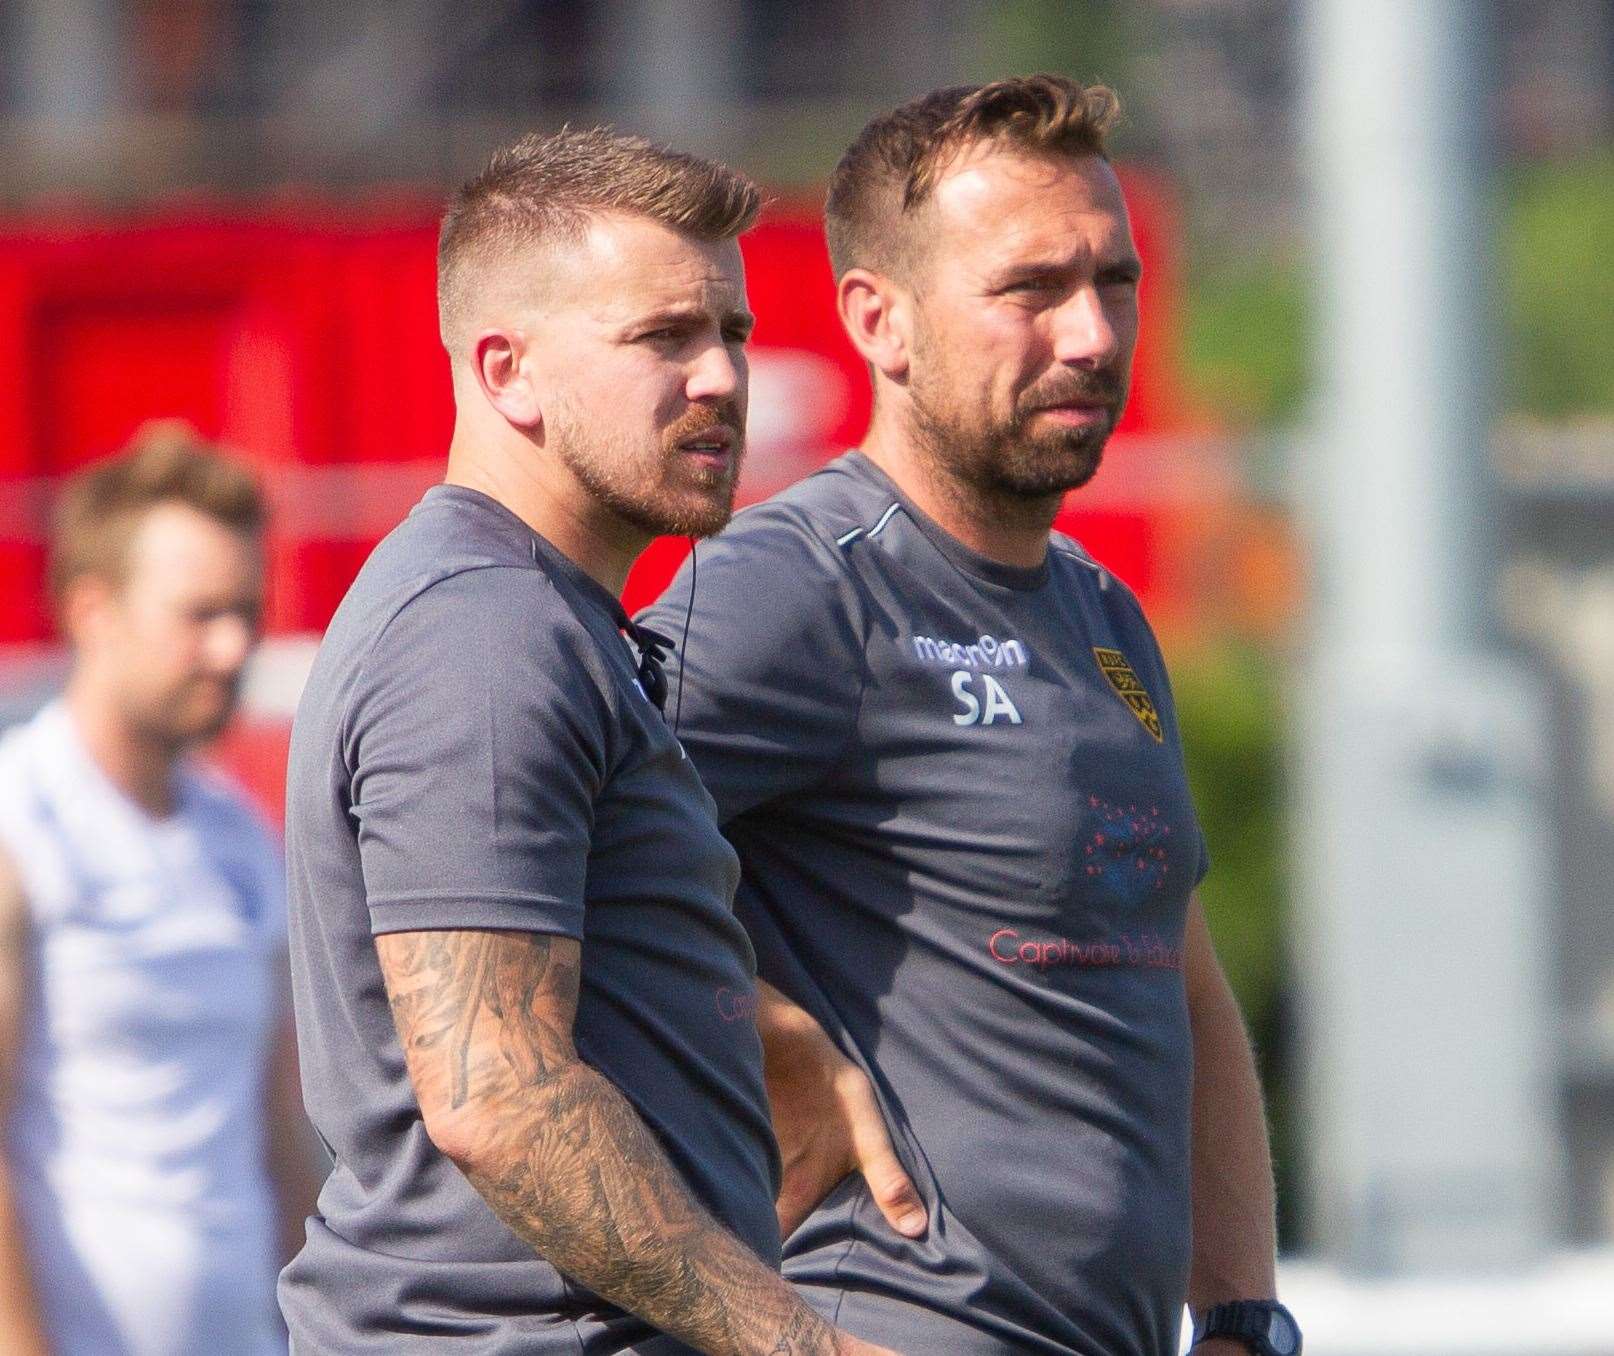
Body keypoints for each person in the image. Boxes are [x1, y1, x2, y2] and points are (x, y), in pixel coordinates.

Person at [642, 77, 1299, 1356]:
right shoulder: (797, 585)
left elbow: (1182, 971)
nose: (1094, 337)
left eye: (1115, 282)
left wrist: (1241, 1312)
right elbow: (528, 857)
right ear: (877, 321)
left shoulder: (1105, 615)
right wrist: (756, 1025)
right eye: (1031, 290)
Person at [278, 128, 894, 1356]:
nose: (720, 376)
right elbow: (495, 1098)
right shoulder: (486, 638)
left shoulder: (543, 620)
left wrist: (752, 1020)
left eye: (734, 333)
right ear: (507, 371)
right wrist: (798, 1343)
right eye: (664, 337)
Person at [0, 424, 322, 1356]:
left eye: (247, 614)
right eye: (200, 614)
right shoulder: (21, 822)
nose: (233, 649)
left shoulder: (241, 838)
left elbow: (276, 1134)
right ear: (92, 609)